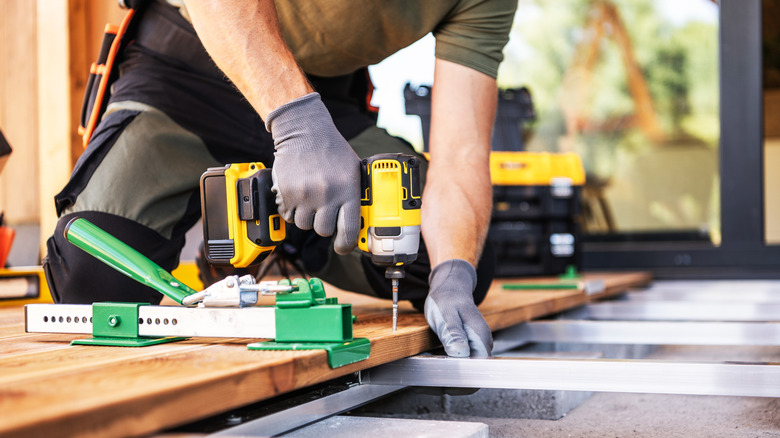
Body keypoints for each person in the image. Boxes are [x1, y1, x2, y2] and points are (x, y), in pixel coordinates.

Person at [43, 0, 517, 357]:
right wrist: (295, 123)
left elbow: (462, 152)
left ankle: (284, 229)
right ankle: (256, 217)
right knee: (93, 284)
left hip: (324, 96)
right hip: (187, 64)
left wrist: (454, 272)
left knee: (442, 257)